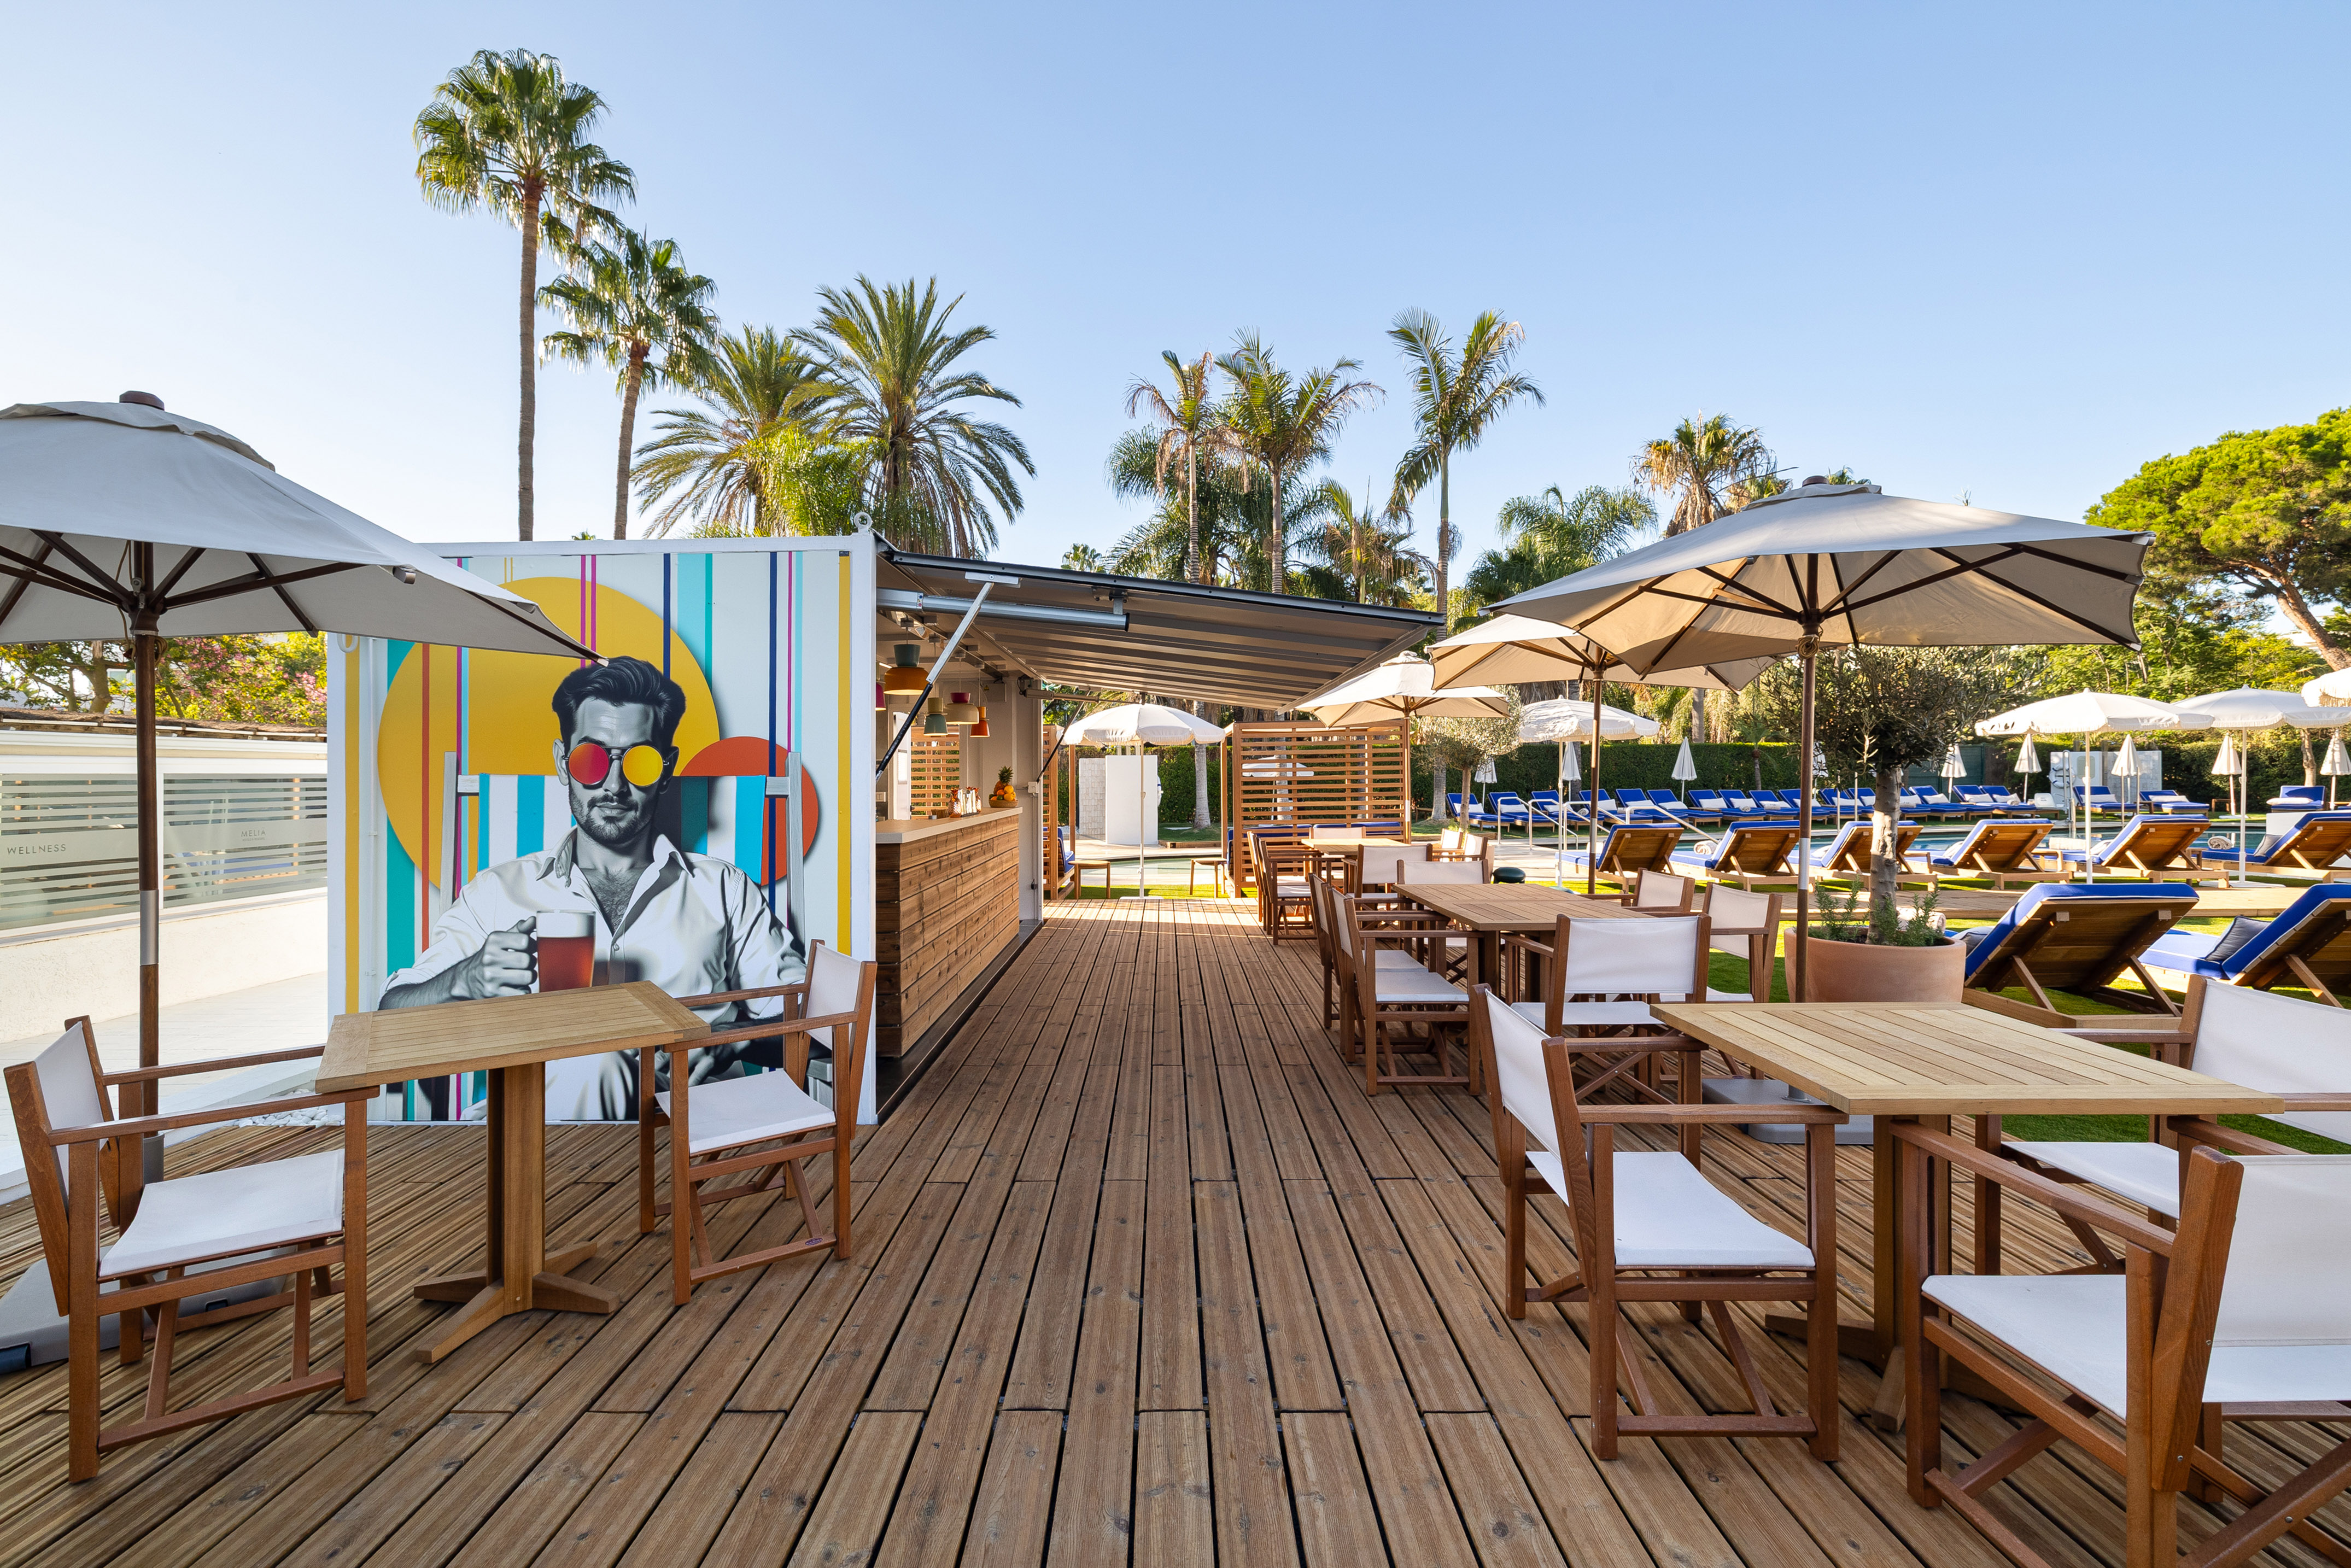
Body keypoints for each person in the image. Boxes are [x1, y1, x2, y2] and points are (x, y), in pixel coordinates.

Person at [380, 656, 803, 1119]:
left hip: (686, 1125)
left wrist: (732, 1037)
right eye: (591, 760)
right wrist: (467, 978)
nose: (614, 785)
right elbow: (390, 1021)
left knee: (594, 1063)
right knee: (588, 1063)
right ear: (563, 764)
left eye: (640, 761)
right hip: (531, 1131)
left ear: (666, 769)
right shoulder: (500, 892)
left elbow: (812, 1021)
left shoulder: (722, 890)